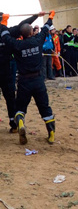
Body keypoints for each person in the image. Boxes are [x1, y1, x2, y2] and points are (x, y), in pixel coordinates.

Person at [0, 11, 56, 145]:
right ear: (31, 33)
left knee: (20, 106)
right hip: (32, 78)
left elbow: (8, 36)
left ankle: (18, 121)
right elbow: (24, 27)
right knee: (43, 106)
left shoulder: (15, 44)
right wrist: (49, 17)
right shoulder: (37, 41)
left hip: (24, 81)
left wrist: (2, 25)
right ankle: (49, 132)